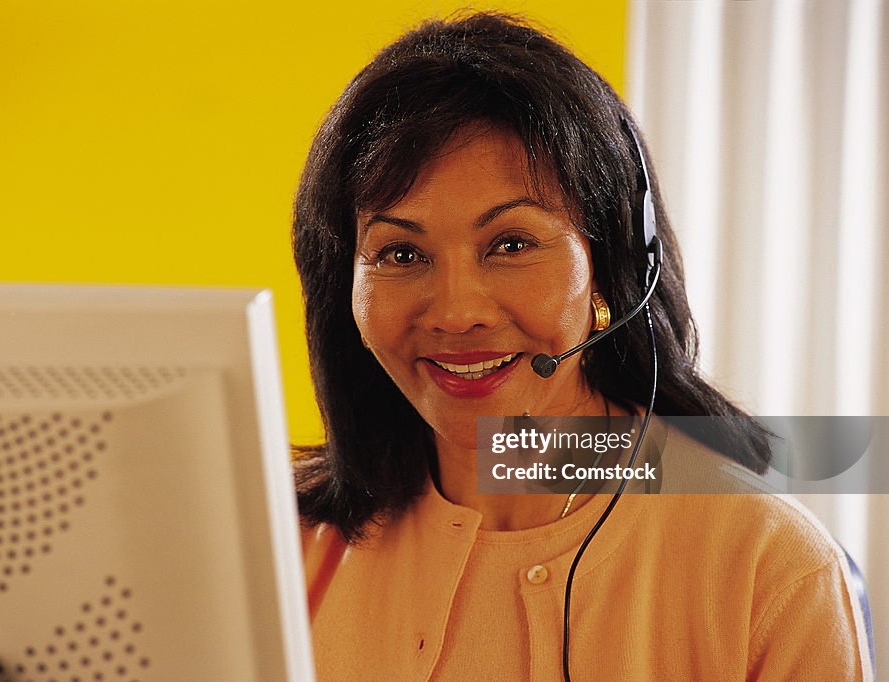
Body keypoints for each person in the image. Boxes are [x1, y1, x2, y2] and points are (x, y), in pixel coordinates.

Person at [291, 12, 871, 680]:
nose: (455, 313)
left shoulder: (770, 571)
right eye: (400, 252)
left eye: (511, 244)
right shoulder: (281, 549)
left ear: (610, 263)